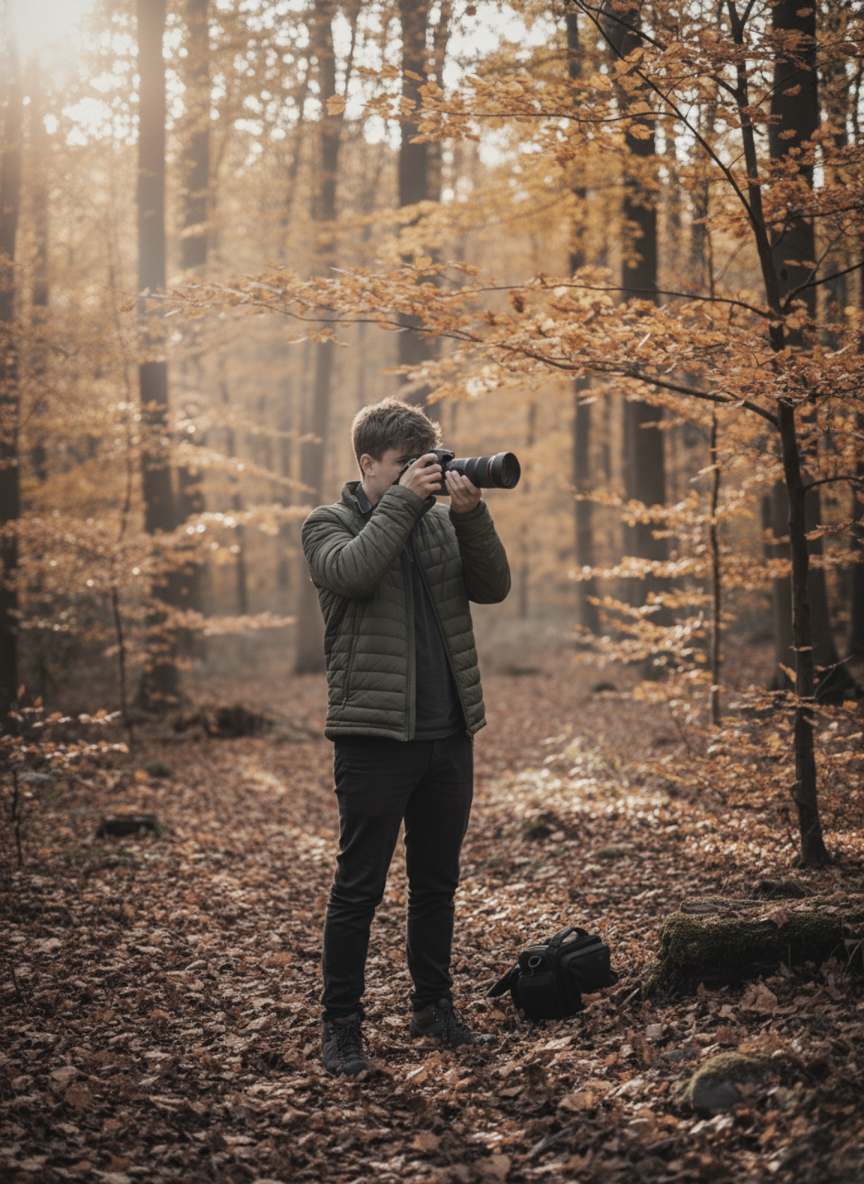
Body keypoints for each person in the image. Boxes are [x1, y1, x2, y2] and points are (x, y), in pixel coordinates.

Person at [301, 398, 512, 1076]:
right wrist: (404, 504)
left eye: (428, 462)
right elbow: (355, 571)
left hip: (449, 733)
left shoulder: (436, 525)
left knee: (436, 883)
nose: (421, 476)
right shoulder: (326, 524)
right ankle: (341, 1030)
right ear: (368, 463)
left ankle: (434, 1008)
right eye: (404, 465)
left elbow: (495, 587)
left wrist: (470, 516)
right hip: (374, 737)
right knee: (358, 888)